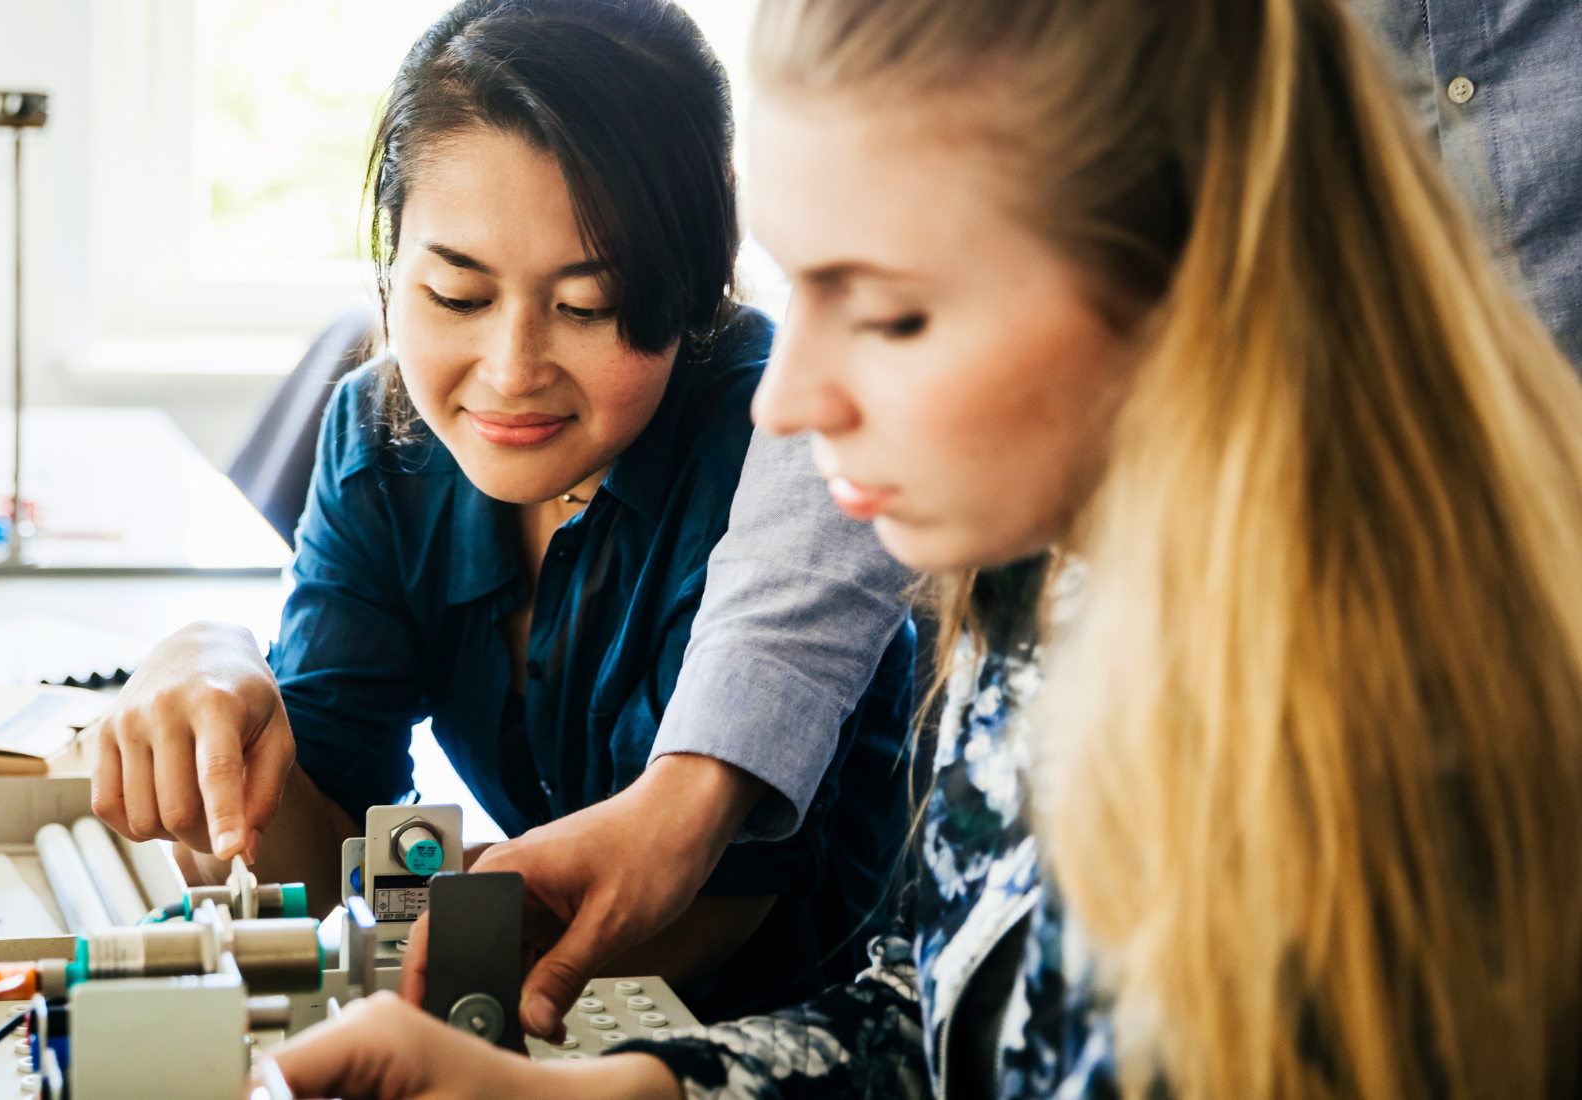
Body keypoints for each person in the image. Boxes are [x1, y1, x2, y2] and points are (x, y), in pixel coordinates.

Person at [258, 0, 1582, 1097]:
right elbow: (931, 1019)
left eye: (885, 313)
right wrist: (610, 1090)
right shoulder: (1031, 605)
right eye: (799, 286)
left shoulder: (1390, 763)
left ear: (1180, 287)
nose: (786, 402)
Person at [91, 0, 918, 1021]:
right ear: (392, 261)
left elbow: (712, 905)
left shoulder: (787, 447)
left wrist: (440, 931)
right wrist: (225, 705)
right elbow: (336, 848)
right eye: (456, 294)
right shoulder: (380, 434)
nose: (511, 371)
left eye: (586, 307)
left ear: (697, 284)